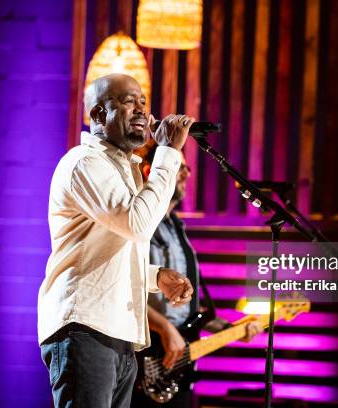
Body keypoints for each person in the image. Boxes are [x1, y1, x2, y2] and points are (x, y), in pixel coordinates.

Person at [37, 73, 196, 408]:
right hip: (85, 328)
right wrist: (168, 152)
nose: (141, 110)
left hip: (120, 334)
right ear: (98, 115)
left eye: (142, 102)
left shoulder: (125, 168)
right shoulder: (85, 162)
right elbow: (138, 224)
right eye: (127, 102)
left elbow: (114, 246)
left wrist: (154, 277)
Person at [131, 141, 263, 408]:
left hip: (177, 368)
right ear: (151, 171)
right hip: (144, 358)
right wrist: (165, 328)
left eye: (186, 167)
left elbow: (187, 311)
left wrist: (230, 329)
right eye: (178, 166)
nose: (187, 173)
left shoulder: (177, 227)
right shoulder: (136, 224)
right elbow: (122, 289)